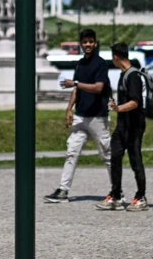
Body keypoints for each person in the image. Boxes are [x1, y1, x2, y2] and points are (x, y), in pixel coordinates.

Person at [44, 29, 112, 204]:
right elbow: (76, 90)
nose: (88, 45)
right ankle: (63, 190)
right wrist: (69, 108)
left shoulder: (100, 64)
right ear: (80, 44)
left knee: (107, 155)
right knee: (71, 152)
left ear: (95, 43)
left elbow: (98, 88)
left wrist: (75, 83)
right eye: (85, 42)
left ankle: (116, 191)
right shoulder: (80, 64)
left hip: (98, 117)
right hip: (81, 116)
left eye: (91, 42)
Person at [96, 43, 148, 211]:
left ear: (116, 57)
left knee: (135, 160)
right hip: (122, 125)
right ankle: (116, 195)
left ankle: (140, 197)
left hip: (134, 126)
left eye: (113, 57)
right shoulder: (123, 74)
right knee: (115, 157)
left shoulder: (133, 76)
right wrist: (118, 106)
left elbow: (135, 102)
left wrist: (119, 108)